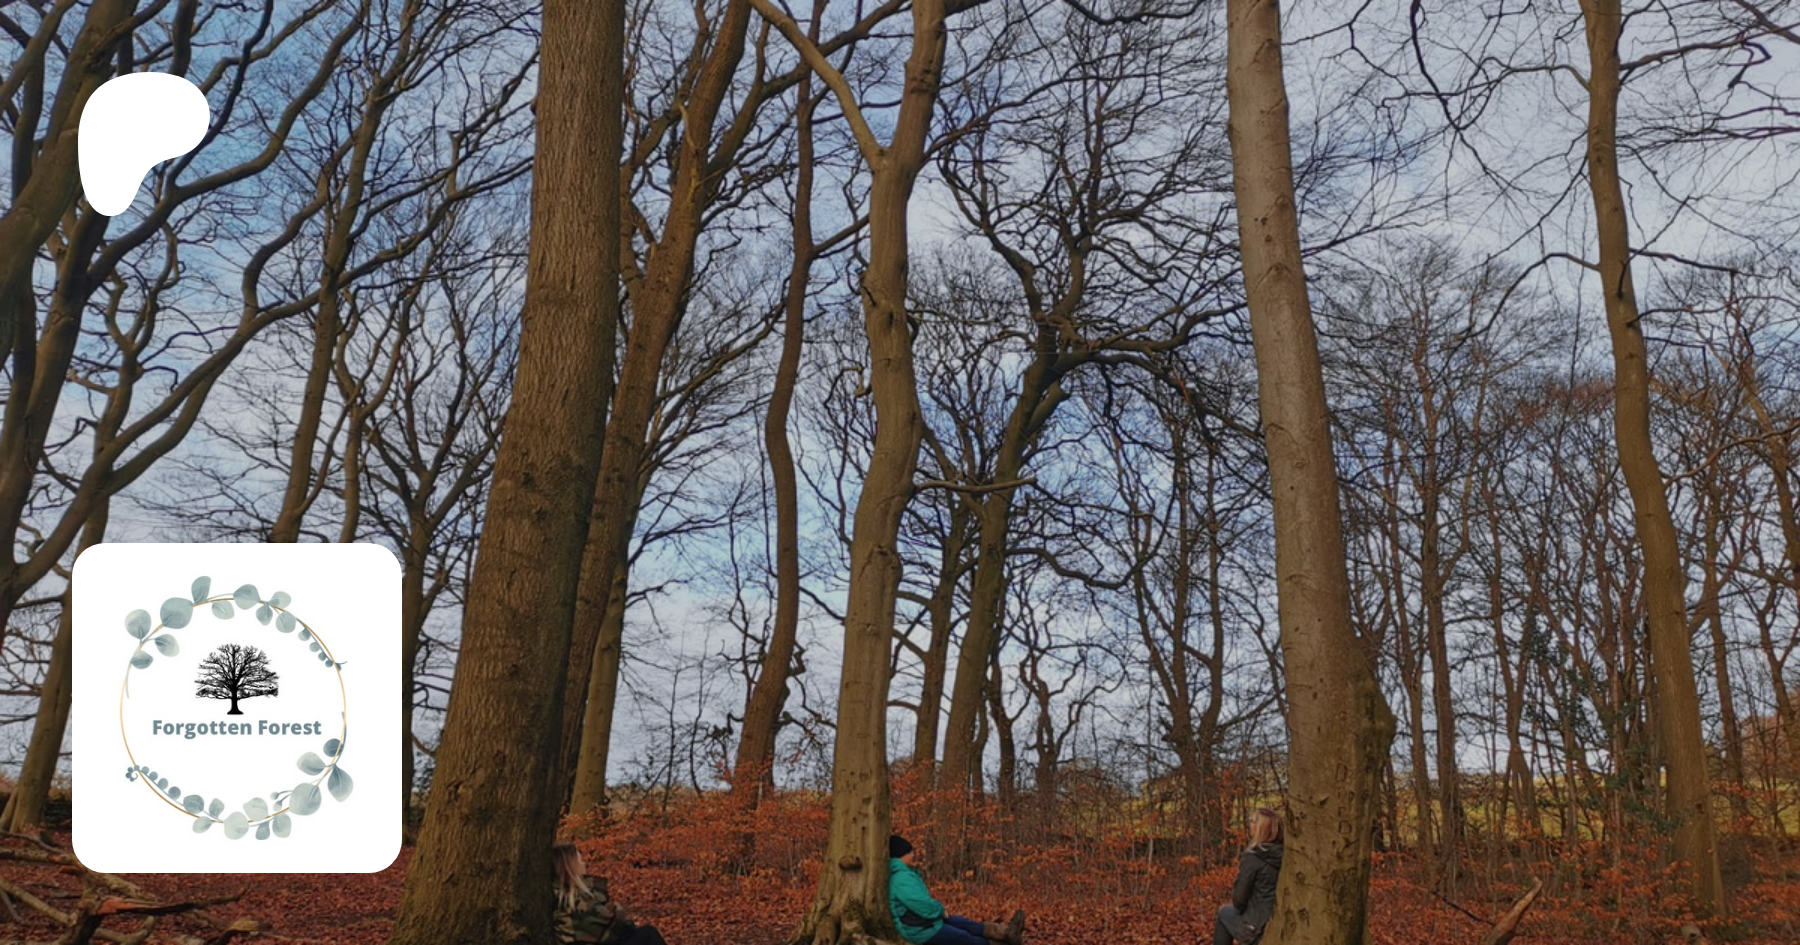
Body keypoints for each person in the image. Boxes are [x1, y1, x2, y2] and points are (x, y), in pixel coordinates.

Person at [888, 835, 1025, 945]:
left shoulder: (903, 874)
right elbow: (921, 904)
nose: (913, 855)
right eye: (910, 852)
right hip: (920, 929)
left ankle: (1007, 933)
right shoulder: (901, 878)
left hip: (926, 922)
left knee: (965, 924)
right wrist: (940, 911)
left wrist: (939, 912)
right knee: (964, 938)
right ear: (902, 855)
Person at [553, 842, 668, 945]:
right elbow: (615, 923)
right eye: (580, 861)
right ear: (571, 867)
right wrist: (616, 908)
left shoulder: (566, 896)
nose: (584, 864)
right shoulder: (573, 900)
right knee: (648, 934)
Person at [1213, 808, 1284, 945]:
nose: (1250, 824)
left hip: (1256, 928)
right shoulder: (1285, 856)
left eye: (1252, 821)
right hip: (1277, 920)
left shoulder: (1253, 858)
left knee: (1224, 912)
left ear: (1261, 828)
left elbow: (1239, 900)